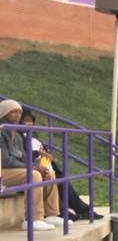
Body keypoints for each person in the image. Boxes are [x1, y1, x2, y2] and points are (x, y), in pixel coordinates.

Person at [19, 109, 103, 221]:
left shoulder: (32, 135)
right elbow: (21, 156)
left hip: (43, 166)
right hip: (28, 169)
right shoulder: (17, 136)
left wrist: (46, 154)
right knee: (50, 178)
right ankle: (61, 212)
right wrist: (38, 154)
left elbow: (41, 150)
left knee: (61, 178)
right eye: (25, 120)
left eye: (31, 121)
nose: (29, 123)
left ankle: (83, 210)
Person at [0, 99, 62, 231]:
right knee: (33, 175)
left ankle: (51, 214)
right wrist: (32, 168)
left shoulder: (16, 134)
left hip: (13, 170)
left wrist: (37, 166)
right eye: (13, 112)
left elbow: (23, 157)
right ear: (4, 114)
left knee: (49, 173)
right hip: (3, 170)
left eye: (19, 112)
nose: (17, 115)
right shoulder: (1, 131)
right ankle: (32, 219)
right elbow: (5, 160)